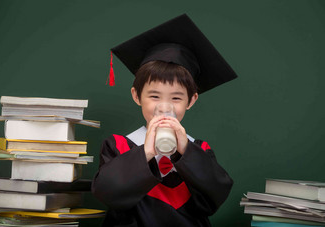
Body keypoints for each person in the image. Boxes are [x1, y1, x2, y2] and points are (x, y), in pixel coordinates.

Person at [92, 14, 237, 227]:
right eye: (154, 96)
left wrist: (186, 152)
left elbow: (213, 199)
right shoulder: (118, 146)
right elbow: (108, 194)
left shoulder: (199, 149)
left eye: (176, 98)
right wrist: (146, 152)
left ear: (191, 100)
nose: (164, 107)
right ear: (136, 96)